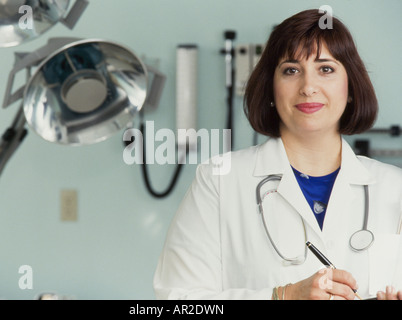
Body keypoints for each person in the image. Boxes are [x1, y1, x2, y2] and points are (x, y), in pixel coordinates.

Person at [153, 9, 402, 300]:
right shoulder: (219, 180)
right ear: (271, 88)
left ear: (350, 88)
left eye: (326, 69)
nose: (308, 87)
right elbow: (179, 300)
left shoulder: (394, 187)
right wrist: (282, 296)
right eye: (291, 70)